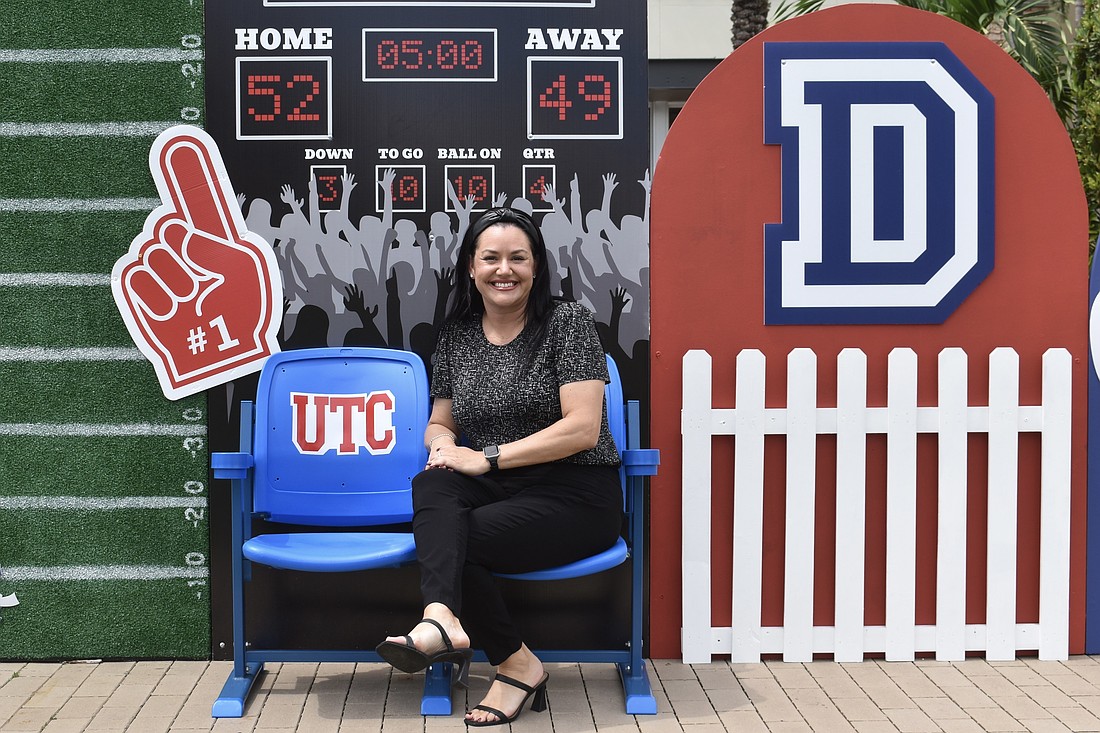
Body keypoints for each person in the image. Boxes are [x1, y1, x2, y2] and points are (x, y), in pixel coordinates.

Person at [375, 207, 623, 726]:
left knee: (453, 541)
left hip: (575, 491)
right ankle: (443, 620)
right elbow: (439, 421)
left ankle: (512, 664)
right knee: (433, 484)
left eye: (518, 258)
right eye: (490, 258)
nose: (503, 269)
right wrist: (444, 445)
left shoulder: (568, 323)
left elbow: (582, 428)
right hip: (502, 484)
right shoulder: (457, 335)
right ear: (471, 266)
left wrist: (485, 457)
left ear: (536, 267)